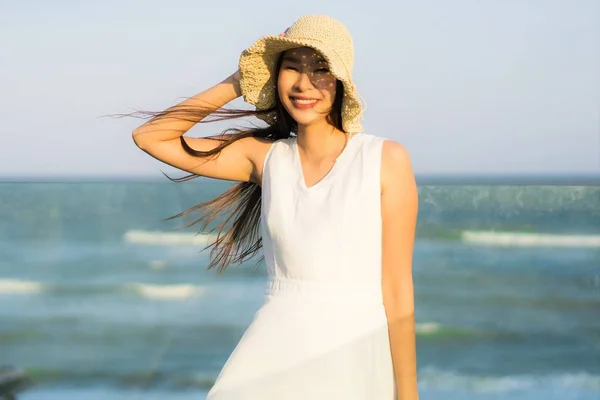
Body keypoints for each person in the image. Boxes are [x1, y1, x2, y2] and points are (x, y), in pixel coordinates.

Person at [132, 14, 419, 400]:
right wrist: (238, 80)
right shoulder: (264, 158)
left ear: (341, 80)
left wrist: (408, 393)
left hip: (354, 356)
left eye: (321, 69)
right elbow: (150, 136)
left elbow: (398, 291)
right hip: (273, 349)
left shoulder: (385, 159)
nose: (304, 84)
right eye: (291, 67)